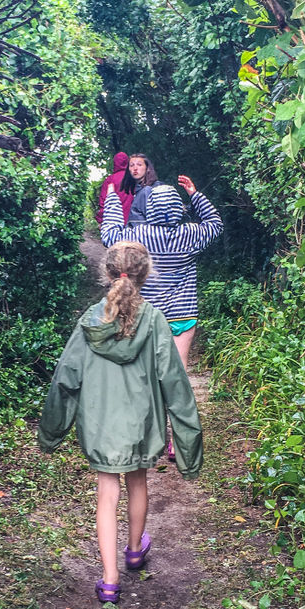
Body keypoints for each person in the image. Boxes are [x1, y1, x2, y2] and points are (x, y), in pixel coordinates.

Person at [38, 240, 203, 605]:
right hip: (142, 422)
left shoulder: (90, 320)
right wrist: (189, 445)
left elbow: (66, 378)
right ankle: (133, 551)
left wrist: (52, 431)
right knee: (138, 481)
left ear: (106, 273)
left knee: (106, 494)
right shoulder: (155, 321)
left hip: (100, 424)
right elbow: (174, 384)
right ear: (147, 275)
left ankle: (109, 580)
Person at [101, 175, 222, 457]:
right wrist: (195, 193)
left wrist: (113, 198)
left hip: (148, 318)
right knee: (177, 377)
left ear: (150, 208)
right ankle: (177, 442)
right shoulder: (190, 234)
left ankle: (147, 437)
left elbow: (109, 233)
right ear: (178, 209)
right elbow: (215, 224)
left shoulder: (138, 237)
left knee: (145, 376)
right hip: (183, 317)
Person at [96, 151, 134, 226]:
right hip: (132, 222)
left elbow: (103, 201)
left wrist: (101, 220)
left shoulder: (110, 180)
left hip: (113, 221)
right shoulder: (133, 179)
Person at [124, 152, 159, 224]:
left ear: (147, 168)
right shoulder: (136, 191)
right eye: (131, 165)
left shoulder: (150, 190)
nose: (135, 168)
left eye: (139, 165)